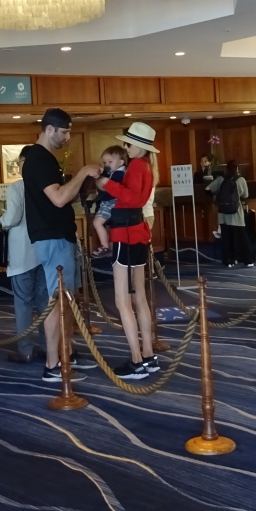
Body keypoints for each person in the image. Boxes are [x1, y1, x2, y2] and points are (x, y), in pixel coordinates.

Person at [21, 108, 102, 382]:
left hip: (59, 236)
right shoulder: (39, 159)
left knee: (66, 300)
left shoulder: (45, 159)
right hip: (52, 238)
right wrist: (82, 172)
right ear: (50, 129)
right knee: (57, 302)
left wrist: (82, 185)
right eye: (65, 131)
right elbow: (58, 198)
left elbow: (61, 198)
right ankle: (53, 364)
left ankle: (66, 353)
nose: (68, 137)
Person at [96, 123, 160, 380]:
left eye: (128, 144)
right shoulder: (147, 166)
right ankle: (147, 354)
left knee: (123, 299)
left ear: (138, 146)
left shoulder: (136, 166)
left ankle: (136, 360)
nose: (125, 147)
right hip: (138, 232)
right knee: (139, 297)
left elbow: (131, 198)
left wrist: (106, 184)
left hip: (125, 233)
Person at [0, 145, 48, 363]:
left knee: (23, 303)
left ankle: (25, 349)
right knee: (45, 303)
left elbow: (13, 218)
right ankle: (48, 346)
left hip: (22, 254)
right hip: (43, 251)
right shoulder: (47, 186)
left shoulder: (17, 187)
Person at [208, 161, 254, 267]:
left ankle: (228, 261)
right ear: (237, 169)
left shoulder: (221, 179)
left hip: (223, 213)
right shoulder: (240, 180)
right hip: (236, 212)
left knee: (226, 237)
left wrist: (216, 196)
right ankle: (248, 260)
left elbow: (208, 189)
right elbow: (245, 195)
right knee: (242, 237)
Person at [91, 146, 127, 256]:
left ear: (120, 162)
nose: (106, 165)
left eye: (110, 162)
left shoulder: (118, 174)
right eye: (105, 162)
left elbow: (108, 187)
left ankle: (105, 246)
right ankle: (107, 245)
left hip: (111, 203)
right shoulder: (115, 173)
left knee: (97, 222)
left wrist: (101, 177)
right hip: (111, 203)